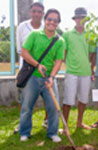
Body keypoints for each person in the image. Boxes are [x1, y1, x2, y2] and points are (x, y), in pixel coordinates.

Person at [19, 8, 65, 142]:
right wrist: (37, 65)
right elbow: (24, 52)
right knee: (27, 106)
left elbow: (58, 61)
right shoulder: (34, 35)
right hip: (32, 77)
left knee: (53, 107)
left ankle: (52, 133)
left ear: (58, 23)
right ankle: (25, 132)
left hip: (48, 79)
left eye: (55, 20)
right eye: (49, 19)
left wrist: (51, 77)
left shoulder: (60, 41)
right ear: (45, 21)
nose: (52, 22)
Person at [15, 2, 47, 133]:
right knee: (25, 100)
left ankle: (47, 121)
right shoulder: (22, 27)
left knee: (47, 98)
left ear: (43, 13)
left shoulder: (47, 26)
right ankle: (23, 124)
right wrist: (34, 62)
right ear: (30, 12)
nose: (36, 14)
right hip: (27, 70)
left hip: (43, 69)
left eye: (39, 12)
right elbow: (20, 49)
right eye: (34, 11)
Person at [62, 7, 95, 130]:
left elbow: (92, 54)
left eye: (83, 17)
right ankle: (65, 126)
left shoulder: (90, 35)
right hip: (71, 72)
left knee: (83, 99)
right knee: (68, 100)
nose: (80, 20)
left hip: (85, 72)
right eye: (78, 17)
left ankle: (79, 123)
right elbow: (64, 53)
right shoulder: (67, 35)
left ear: (86, 20)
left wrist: (90, 67)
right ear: (75, 19)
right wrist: (69, 64)